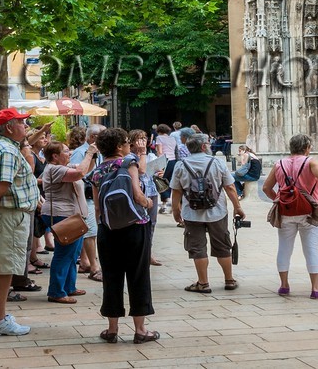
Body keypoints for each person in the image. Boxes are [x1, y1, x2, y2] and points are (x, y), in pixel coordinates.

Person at [88, 127, 157, 344]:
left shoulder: (96, 172)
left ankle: (112, 330)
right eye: (127, 142)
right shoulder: (129, 163)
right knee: (139, 276)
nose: (129, 145)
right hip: (135, 227)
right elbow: (137, 195)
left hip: (108, 230)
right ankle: (140, 330)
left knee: (111, 277)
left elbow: (98, 207)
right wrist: (149, 203)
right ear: (119, 146)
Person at [0, 108, 40, 337]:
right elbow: (2, 184)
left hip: (0, 215)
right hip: (8, 216)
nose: (26, 126)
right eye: (22, 123)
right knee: (4, 269)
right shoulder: (6, 150)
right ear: (10, 127)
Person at [171, 131, 245, 294]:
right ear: (204, 146)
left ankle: (203, 283)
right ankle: (229, 280)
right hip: (217, 212)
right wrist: (237, 207)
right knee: (223, 246)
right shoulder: (217, 163)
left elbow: (176, 191)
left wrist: (176, 210)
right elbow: (230, 187)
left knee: (197, 248)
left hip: (192, 213)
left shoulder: (181, 165)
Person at [262, 132, 318, 299]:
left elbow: (266, 188)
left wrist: (279, 200)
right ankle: (315, 288)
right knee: (311, 249)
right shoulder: (310, 162)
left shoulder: (279, 164)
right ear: (307, 148)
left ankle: (284, 285)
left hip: (286, 212)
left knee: (284, 248)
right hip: (308, 211)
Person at [39, 141, 93, 304]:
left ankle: (69, 286)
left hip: (71, 215)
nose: (69, 154)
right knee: (64, 254)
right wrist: (89, 153)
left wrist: (92, 155)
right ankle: (56, 291)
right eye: (66, 151)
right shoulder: (55, 169)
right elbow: (79, 173)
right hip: (62, 215)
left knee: (73, 253)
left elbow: (85, 170)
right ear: (55, 156)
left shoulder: (63, 167)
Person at [69, 124, 104, 283]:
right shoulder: (80, 152)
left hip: (94, 195)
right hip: (85, 196)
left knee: (90, 229)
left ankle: (85, 262)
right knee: (91, 230)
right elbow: (77, 175)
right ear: (92, 138)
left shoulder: (100, 152)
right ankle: (94, 267)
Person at [127, 129, 163, 267]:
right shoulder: (130, 156)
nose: (143, 141)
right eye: (139, 139)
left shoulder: (150, 156)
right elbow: (141, 171)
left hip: (151, 191)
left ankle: (148, 252)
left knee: (151, 223)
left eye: (144, 138)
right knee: (136, 222)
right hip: (138, 193)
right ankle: (137, 252)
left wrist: (159, 172)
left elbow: (155, 171)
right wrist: (142, 153)